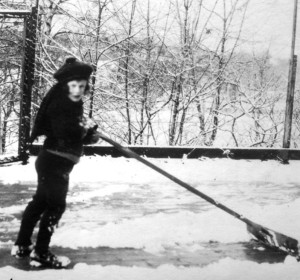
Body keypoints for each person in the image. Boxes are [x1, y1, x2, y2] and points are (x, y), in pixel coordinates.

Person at [11, 57, 100, 268]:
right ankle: (41, 253)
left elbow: (66, 128)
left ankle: (23, 245)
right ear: (70, 81)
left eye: (84, 83)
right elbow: (65, 131)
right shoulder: (64, 100)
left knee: (41, 202)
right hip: (56, 161)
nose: (82, 87)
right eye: (79, 83)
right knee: (55, 206)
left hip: (52, 158)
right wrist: (87, 132)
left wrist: (87, 131)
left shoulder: (64, 97)